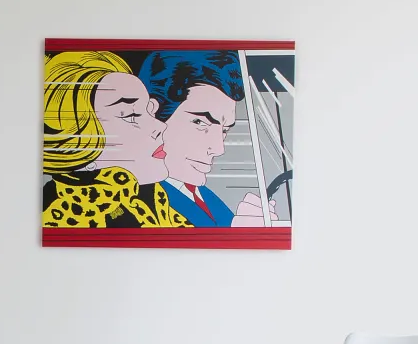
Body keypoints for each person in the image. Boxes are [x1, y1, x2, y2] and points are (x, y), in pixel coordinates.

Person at [41, 50, 187, 228]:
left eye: (150, 110)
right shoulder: (68, 219)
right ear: (77, 144)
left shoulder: (155, 203)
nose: (160, 126)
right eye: (131, 115)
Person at [138, 50, 274, 227]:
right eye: (200, 122)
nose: (219, 148)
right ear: (152, 113)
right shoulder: (136, 198)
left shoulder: (207, 198)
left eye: (224, 130)